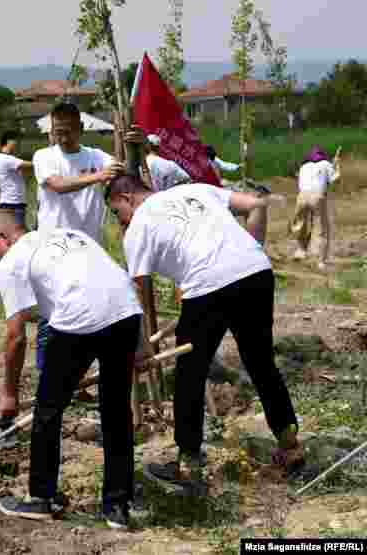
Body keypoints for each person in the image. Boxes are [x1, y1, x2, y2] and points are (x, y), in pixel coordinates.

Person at [105, 176, 304, 495]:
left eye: (117, 213)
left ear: (126, 197)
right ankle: (291, 448)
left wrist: (140, 347)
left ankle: (189, 466)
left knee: (189, 375)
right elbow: (255, 204)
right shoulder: (193, 190)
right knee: (261, 364)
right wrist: (250, 250)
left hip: (207, 287)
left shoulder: (139, 226)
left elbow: (138, 292)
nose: (121, 222)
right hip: (256, 273)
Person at [0, 212, 141, 529]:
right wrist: (142, 344)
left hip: (78, 318)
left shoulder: (11, 261)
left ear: (2, 239)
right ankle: (117, 507)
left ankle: (41, 498)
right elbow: (115, 279)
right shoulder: (67, 234)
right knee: (116, 411)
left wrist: (9, 395)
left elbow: (16, 337)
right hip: (126, 313)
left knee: (48, 410)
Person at [31, 102, 124, 373]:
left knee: (87, 311)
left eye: (69, 131)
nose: (63, 137)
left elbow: (119, 169)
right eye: (58, 131)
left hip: (89, 249)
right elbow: (57, 185)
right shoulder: (44, 157)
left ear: (81, 129)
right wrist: (98, 176)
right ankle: (46, 376)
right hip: (54, 250)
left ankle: (78, 375)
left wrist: (130, 144)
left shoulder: (96, 157)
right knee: (52, 316)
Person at [291, 145, 341, 270]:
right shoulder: (326, 164)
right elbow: (336, 180)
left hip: (301, 196)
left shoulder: (304, 166)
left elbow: (308, 181)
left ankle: (300, 250)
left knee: (300, 224)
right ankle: (321, 261)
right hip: (317, 197)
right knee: (321, 228)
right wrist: (337, 166)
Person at [0, 130, 33, 228]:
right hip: (12, 204)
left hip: (12, 203)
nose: (18, 144)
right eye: (16, 141)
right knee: (17, 236)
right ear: (9, 142)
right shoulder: (6, 159)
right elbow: (31, 165)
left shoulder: (4, 158)